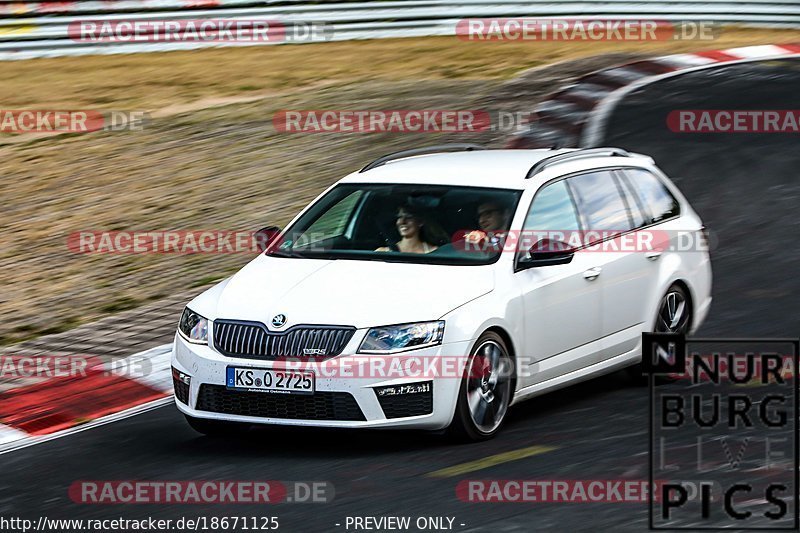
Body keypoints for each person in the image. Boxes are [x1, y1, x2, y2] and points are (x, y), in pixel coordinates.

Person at [375, 204, 444, 253]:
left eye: (408, 217)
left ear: (420, 222)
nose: (402, 221)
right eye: (399, 217)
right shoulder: (383, 252)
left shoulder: (434, 252)